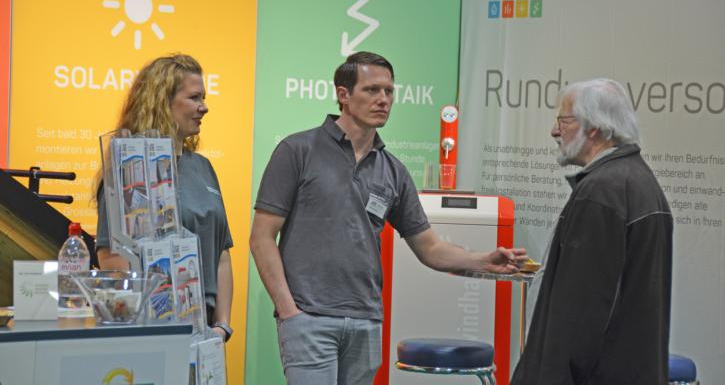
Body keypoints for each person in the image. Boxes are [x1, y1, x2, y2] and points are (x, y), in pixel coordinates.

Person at [250, 51, 527, 385]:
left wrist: (484, 260)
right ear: (343, 95)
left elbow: (430, 248)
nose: (383, 99)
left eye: (389, 91)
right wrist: (288, 310)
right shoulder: (298, 150)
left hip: (366, 322)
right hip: (310, 318)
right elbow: (261, 237)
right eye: (371, 90)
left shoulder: (393, 170)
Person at [511, 79, 673, 385]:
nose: (555, 131)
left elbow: (579, 311)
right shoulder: (640, 182)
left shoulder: (601, 192)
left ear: (595, 127)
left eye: (564, 121)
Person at [95, 54, 234, 342]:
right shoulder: (129, 170)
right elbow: (111, 258)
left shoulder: (203, 167)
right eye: (194, 97)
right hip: (152, 328)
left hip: (206, 331)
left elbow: (222, 254)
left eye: (203, 97)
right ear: (162, 101)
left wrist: (222, 326)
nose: (204, 107)